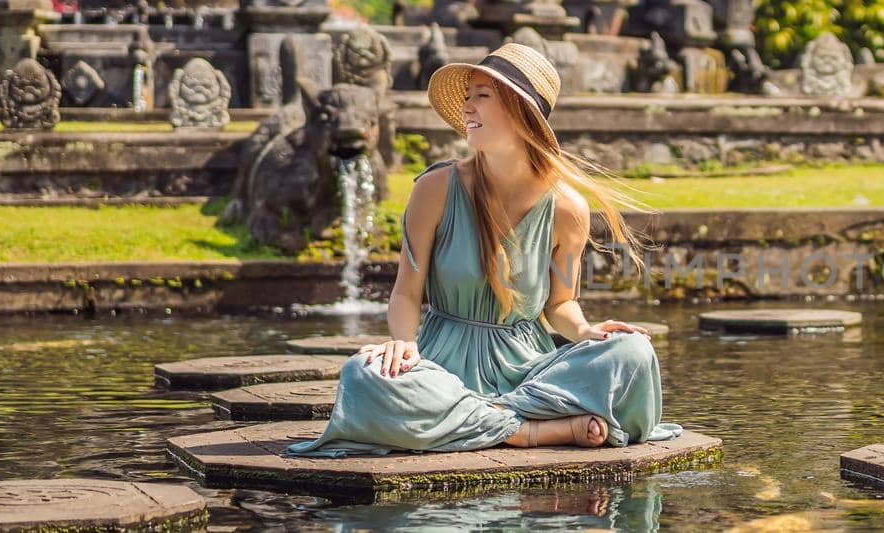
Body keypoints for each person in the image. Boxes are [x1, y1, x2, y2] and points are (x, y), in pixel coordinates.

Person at [287, 43, 681, 457]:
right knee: (363, 375)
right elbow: (406, 293)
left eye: (482, 96)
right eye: (467, 96)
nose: (467, 108)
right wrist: (402, 344)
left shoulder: (567, 209)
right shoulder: (435, 189)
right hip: (439, 371)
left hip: (530, 373)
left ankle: (470, 419)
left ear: (520, 111)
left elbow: (560, 303)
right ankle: (532, 431)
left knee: (634, 353)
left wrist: (585, 332)